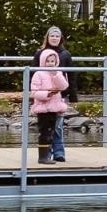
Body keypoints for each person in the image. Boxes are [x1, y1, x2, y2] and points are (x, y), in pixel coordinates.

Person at [34, 26, 78, 162]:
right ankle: (46, 153)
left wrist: (73, 94)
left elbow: (71, 75)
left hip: (59, 95)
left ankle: (59, 152)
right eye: (52, 36)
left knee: (58, 125)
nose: (54, 38)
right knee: (46, 126)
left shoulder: (65, 54)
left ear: (60, 38)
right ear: (47, 38)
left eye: (57, 36)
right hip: (43, 95)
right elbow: (33, 74)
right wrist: (35, 94)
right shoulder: (39, 53)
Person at [30, 49, 69, 165]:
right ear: (43, 61)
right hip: (43, 108)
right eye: (48, 61)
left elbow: (64, 86)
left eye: (53, 61)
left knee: (52, 132)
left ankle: (49, 155)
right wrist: (47, 94)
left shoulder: (58, 73)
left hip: (54, 108)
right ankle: (43, 156)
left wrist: (57, 75)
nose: (50, 63)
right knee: (44, 133)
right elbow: (34, 92)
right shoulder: (38, 74)